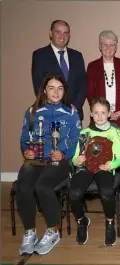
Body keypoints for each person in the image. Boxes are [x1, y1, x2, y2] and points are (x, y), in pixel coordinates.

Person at [18, 74, 81, 256]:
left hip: (58, 161)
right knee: (24, 187)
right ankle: (30, 232)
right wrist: (26, 151)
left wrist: (63, 153)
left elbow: (75, 139)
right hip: (35, 160)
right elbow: (24, 138)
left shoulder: (71, 112)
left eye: (60, 88)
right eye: (52, 88)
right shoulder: (32, 111)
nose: (56, 92)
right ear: (44, 90)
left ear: (64, 91)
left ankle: (53, 231)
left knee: (42, 186)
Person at [69, 97, 120, 246]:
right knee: (74, 193)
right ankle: (82, 221)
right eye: (96, 112)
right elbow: (75, 158)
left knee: (107, 193)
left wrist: (112, 165)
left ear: (109, 114)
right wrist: (77, 161)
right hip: (86, 168)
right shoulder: (85, 132)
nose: (100, 116)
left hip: (104, 168)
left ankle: (110, 222)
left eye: (103, 112)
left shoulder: (116, 132)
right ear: (91, 114)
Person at [31, 20, 87, 121]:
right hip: (50, 114)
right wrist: (54, 108)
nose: (62, 36)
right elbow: (38, 85)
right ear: (51, 33)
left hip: (74, 113)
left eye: (66, 33)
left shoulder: (77, 56)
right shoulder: (40, 55)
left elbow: (83, 84)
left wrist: (74, 106)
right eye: (58, 32)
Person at [87, 30, 120, 130]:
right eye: (105, 45)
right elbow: (90, 93)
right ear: (100, 46)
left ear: (116, 47)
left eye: (112, 45)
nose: (108, 48)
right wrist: (102, 112)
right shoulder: (92, 66)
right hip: (100, 117)